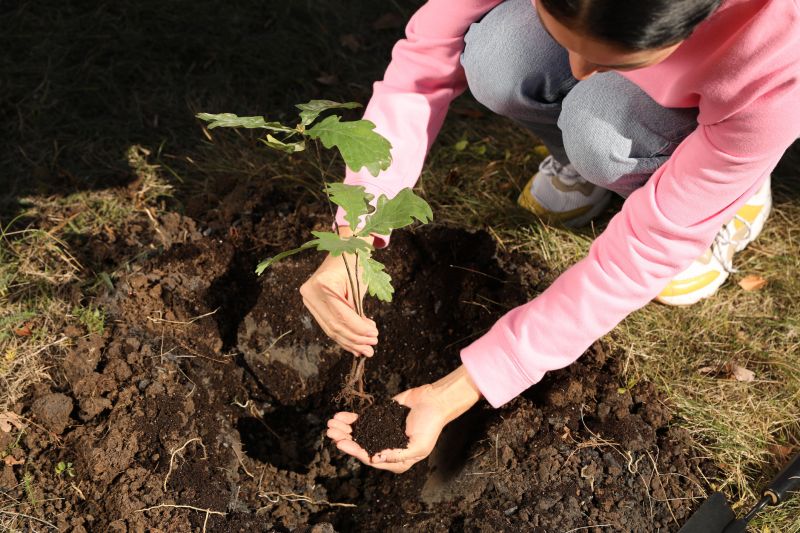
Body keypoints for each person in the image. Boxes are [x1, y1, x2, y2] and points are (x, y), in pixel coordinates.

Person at [306, 0, 800, 473]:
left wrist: (468, 384)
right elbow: (422, 66)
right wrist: (355, 229)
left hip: (714, 114)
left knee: (599, 129)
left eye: (613, 57)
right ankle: (589, 160)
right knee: (498, 56)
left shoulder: (777, 58)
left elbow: (639, 256)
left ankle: (719, 195)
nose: (577, 71)